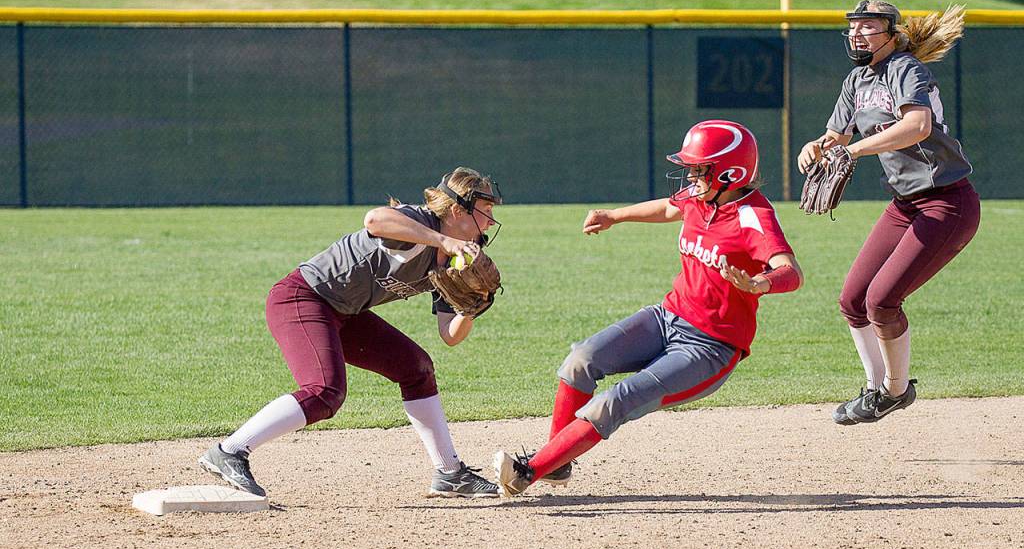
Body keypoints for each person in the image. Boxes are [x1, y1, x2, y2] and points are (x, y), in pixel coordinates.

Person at [494, 120, 803, 497]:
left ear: (730, 172)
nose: (691, 175)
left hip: (709, 348)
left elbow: (791, 270)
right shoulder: (701, 197)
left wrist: (759, 283)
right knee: (581, 359)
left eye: (699, 167)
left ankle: (529, 473)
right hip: (666, 317)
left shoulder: (752, 215)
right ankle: (556, 464)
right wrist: (614, 216)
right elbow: (668, 209)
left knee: (615, 400)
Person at [199, 167, 503, 499]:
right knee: (325, 391)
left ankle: (450, 474)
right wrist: (443, 239)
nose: (489, 222)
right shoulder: (421, 224)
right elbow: (374, 220)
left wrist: (469, 310)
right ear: (457, 210)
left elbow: (450, 335)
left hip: (345, 312)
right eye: (485, 212)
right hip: (302, 297)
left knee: (416, 368)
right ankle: (230, 451)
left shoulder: (450, 263)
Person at [797, 0, 980, 425]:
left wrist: (854, 149)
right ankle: (875, 390)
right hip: (905, 204)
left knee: (882, 301)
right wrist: (818, 146)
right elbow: (835, 135)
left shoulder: (906, 69)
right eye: (854, 27)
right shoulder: (856, 79)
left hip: (946, 202)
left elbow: (917, 126)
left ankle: (896, 391)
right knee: (852, 300)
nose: (858, 33)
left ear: (893, 34)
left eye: (869, 26)